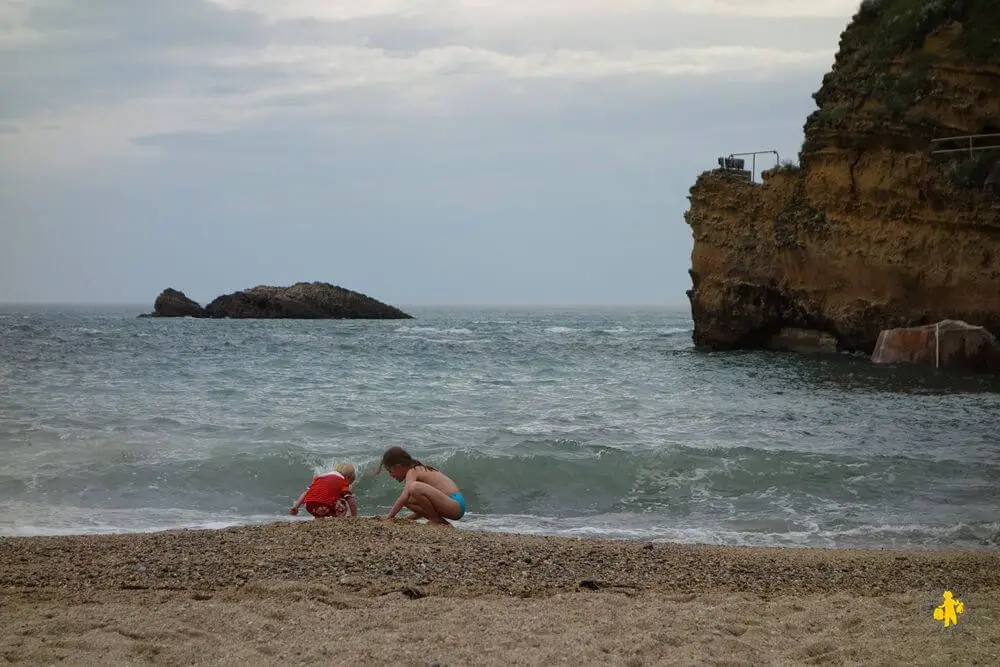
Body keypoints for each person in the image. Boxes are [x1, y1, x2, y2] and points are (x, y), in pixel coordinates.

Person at [377, 446, 465, 525]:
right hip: (450, 505)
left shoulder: (412, 471)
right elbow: (425, 506)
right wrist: (408, 519)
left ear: (398, 466)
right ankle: (440, 521)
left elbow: (403, 497)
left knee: (413, 488)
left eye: (390, 471)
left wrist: (389, 518)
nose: (391, 475)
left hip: (455, 504)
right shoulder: (416, 470)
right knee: (408, 499)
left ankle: (435, 519)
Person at [289, 463, 358, 518]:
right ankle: (338, 522)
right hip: (325, 506)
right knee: (343, 503)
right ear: (347, 478)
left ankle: (319, 520)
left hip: (309, 506)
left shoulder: (319, 478)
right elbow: (350, 500)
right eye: (349, 483)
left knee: (323, 498)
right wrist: (354, 516)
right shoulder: (342, 481)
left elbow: (306, 492)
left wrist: (295, 507)